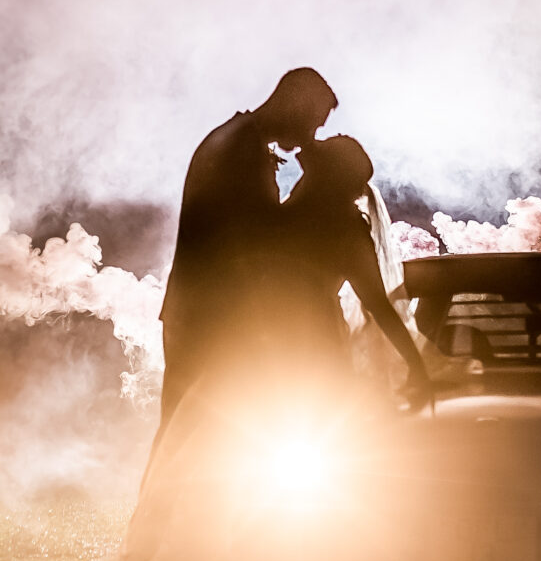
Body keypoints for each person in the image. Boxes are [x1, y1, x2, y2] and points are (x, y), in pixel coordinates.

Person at [153, 67, 338, 429]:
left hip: (202, 313)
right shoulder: (240, 150)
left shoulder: (237, 140)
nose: (309, 139)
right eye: (313, 124)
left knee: (191, 434)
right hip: (210, 320)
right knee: (198, 436)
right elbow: (262, 239)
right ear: (295, 106)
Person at [249, 134, 435, 404]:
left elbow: (378, 306)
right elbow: (378, 305)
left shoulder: (320, 221)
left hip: (287, 338)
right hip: (293, 337)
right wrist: (416, 364)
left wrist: (415, 364)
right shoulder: (324, 219)